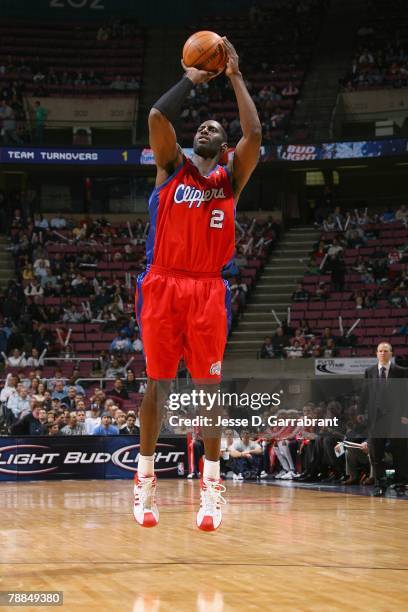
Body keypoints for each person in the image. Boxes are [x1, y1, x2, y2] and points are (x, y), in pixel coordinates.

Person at [133, 37, 261, 531]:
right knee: (158, 385)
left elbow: (254, 132)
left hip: (208, 289)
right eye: (200, 126)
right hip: (163, 283)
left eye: (215, 128)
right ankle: (144, 481)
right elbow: (158, 119)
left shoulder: (229, 180)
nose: (205, 127)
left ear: (224, 148)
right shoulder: (171, 169)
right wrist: (193, 76)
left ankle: (211, 487)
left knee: (208, 389)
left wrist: (233, 75)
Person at [364, 342, 408, 497]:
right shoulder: (369, 371)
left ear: (391, 353)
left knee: (400, 452)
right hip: (377, 420)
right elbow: (367, 395)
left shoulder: (401, 371)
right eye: (380, 351)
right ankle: (379, 484)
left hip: (397, 418)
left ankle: (401, 483)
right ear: (376, 353)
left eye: (386, 351)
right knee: (376, 453)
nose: (383, 353)